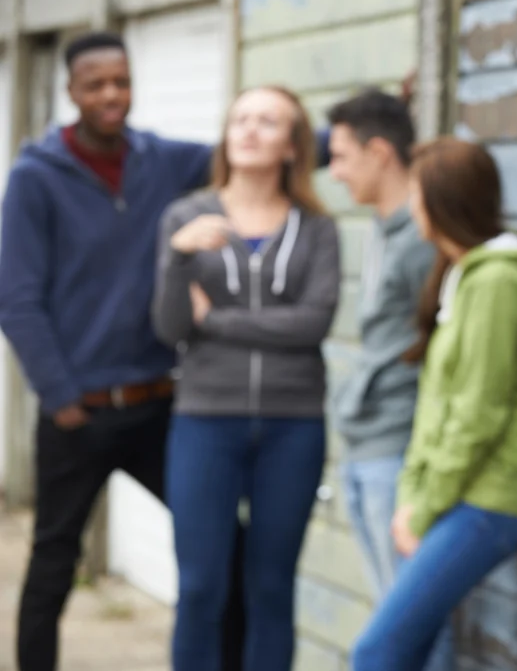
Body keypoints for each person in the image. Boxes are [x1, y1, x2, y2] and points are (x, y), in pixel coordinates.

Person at [0, 31, 247, 671]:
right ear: (72, 92)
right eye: (96, 84)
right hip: (76, 415)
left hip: (157, 407)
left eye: (122, 81)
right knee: (52, 567)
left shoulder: (161, 160)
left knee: (226, 545)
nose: (112, 94)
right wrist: (60, 397)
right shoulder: (34, 179)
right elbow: (17, 300)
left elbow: (252, 152)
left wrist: (355, 134)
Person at [350, 138, 517, 670]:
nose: (411, 206)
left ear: (441, 203)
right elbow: (437, 406)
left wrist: (424, 506)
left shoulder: (499, 284)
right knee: (414, 645)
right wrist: (413, 495)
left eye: (417, 195)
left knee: (378, 649)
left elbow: (477, 413)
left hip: (492, 498)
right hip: (461, 493)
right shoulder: (465, 276)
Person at [151, 85, 339, 671]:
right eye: (240, 119)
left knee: (270, 589)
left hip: (294, 424)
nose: (250, 130)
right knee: (203, 587)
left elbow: (312, 323)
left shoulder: (316, 228)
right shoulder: (185, 218)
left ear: (292, 144)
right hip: (206, 420)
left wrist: (221, 320)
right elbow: (171, 326)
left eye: (267, 121)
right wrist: (178, 259)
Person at [326, 90, 436, 597]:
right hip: (365, 442)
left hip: (397, 446)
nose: (335, 172)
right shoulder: (386, 226)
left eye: (341, 156)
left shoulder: (422, 238)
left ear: (380, 154)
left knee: (403, 626)